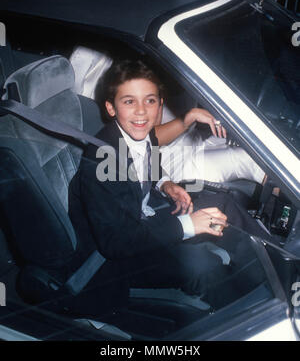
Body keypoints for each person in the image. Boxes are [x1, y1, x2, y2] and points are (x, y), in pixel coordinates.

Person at [68, 59, 272, 314]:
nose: (141, 111)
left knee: (223, 203)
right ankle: (258, 313)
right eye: (129, 101)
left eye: (150, 101)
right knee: (202, 267)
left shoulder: (136, 134)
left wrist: (165, 184)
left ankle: (275, 264)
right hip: (115, 256)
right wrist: (188, 225)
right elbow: (116, 243)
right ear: (111, 108)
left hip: (143, 219)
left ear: (160, 104)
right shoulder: (104, 161)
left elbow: (149, 152)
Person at [154, 106, 266, 184]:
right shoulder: (140, 99)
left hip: (197, 139)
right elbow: (150, 138)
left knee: (253, 139)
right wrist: (192, 115)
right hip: (180, 165)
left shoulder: (175, 82)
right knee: (248, 158)